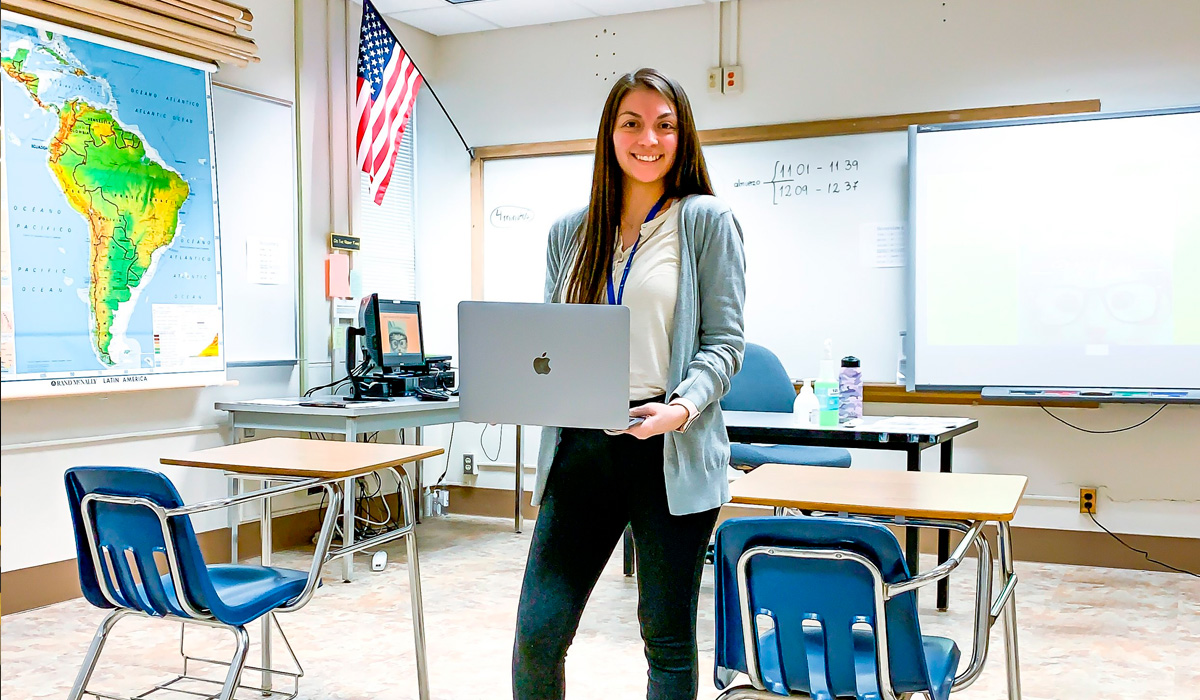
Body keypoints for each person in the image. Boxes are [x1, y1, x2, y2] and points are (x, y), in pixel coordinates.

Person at [513, 68, 746, 700]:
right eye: (632, 123)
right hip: (582, 448)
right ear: (609, 134)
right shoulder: (571, 231)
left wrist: (681, 408)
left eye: (665, 125)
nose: (649, 139)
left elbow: (725, 344)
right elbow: (548, 345)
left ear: (683, 135)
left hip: (668, 446)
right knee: (538, 632)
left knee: (666, 638)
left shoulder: (705, 221)